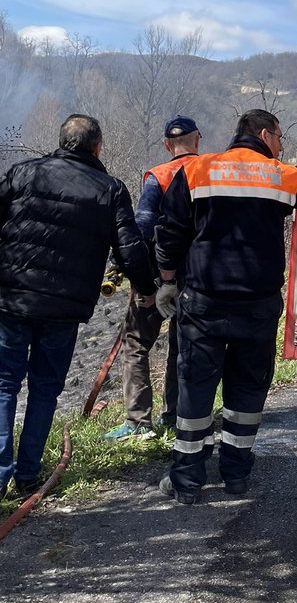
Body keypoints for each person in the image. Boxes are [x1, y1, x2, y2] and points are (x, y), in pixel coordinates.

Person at [154, 110, 297, 505]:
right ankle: (236, 475)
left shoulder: (197, 170)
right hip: (257, 304)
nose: (280, 145)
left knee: (195, 386)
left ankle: (187, 480)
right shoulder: (279, 174)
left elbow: (170, 230)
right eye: (279, 138)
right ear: (264, 134)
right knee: (247, 387)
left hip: (203, 301)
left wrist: (167, 281)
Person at [0, 115, 156, 499]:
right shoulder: (109, 189)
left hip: (12, 300)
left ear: (61, 141)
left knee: (3, 386)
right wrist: (147, 289)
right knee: (44, 389)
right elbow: (129, 248)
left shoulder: (22, 173)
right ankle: (27, 477)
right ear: (97, 147)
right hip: (63, 310)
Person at [104, 116, 202, 441]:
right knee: (182, 346)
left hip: (159, 276)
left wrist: (144, 281)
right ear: (198, 140)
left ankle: (138, 422)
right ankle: (174, 417)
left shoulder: (158, 176)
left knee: (136, 343)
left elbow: (143, 227)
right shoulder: (211, 173)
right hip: (199, 278)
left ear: (166, 145)